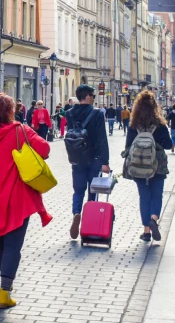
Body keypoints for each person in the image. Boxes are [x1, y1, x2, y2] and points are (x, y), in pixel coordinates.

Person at [0, 93, 53, 309]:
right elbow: (45, 149)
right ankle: (5, 291)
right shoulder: (20, 131)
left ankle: (3, 267)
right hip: (17, 200)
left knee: (1, 240)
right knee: (14, 245)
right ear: (9, 111)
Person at [124, 91, 173, 243]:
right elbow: (169, 145)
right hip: (157, 164)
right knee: (157, 194)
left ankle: (146, 231)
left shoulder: (133, 125)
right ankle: (153, 218)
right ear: (154, 107)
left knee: (144, 196)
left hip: (138, 166)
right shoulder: (160, 124)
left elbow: (128, 147)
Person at [65, 84, 110, 240]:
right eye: (93, 96)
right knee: (93, 192)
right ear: (88, 96)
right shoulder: (96, 114)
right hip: (94, 159)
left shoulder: (69, 113)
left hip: (77, 159)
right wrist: (105, 161)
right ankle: (89, 225)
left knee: (78, 190)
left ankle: (76, 213)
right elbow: (102, 139)